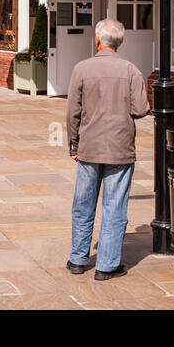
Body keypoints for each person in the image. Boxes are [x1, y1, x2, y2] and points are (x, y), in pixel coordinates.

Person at [65, 19, 149, 281]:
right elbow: (140, 109)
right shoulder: (131, 70)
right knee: (115, 207)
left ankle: (78, 259)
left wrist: (73, 145)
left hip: (89, 147)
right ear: (120, 42)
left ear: (98, 40)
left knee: (83, 204)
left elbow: (73, 113)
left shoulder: (81, 68)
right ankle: (106, 266)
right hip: (120, 147)